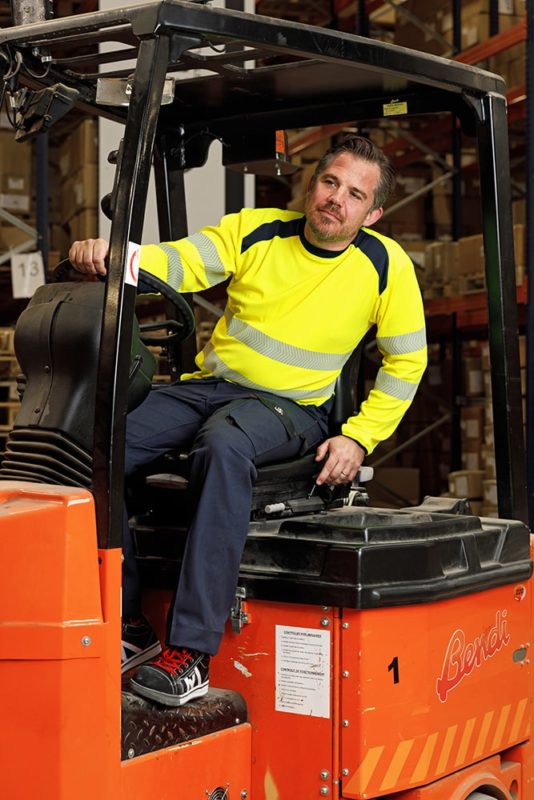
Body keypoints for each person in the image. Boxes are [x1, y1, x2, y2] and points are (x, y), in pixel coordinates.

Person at [69, 135, 427, 707]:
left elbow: (408, 361)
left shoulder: (385, 267)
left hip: (293, 410)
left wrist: (359, 437)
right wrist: (123, 256)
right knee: (93, 444)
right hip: (213, 389)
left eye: (355, 194)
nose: (337, 199)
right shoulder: (258, 228)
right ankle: (128, 621)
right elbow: (185, 261)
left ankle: (191, 653)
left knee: (222, 446)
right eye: (331, 182)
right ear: (314, 184)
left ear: (373, 212)